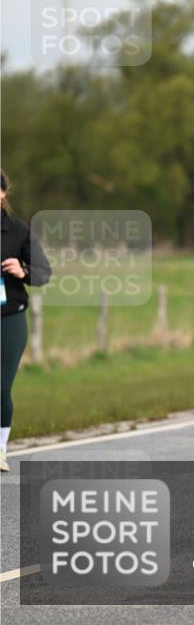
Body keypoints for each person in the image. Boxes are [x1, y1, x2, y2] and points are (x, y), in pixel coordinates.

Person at [1, 170, 52, 472]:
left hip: (8, 318)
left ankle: (0, 450)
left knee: (0, 388)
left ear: (3, 193)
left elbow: (44, 271)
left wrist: (22, 271)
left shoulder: (18, 231)